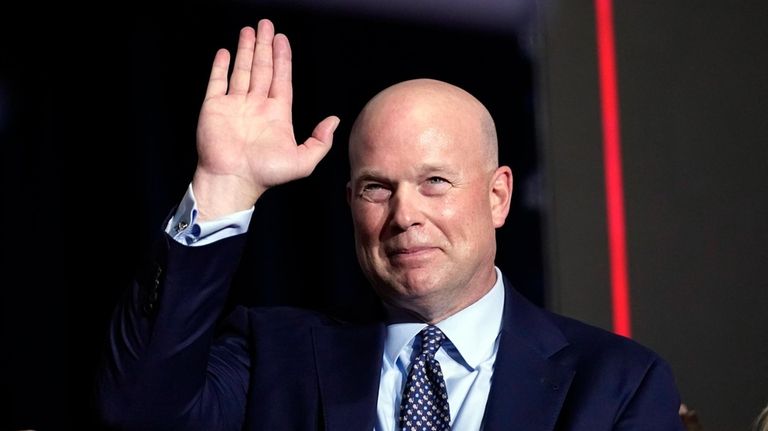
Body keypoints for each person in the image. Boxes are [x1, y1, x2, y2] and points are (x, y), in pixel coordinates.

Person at [97, 19, 685, 430]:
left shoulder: (616, 383)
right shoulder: (274, 355)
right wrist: (223, 185)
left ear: (498, 196)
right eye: (378, 188)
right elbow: (139, 409)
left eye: (435, 181)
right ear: (351, 201)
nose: (405, 216)